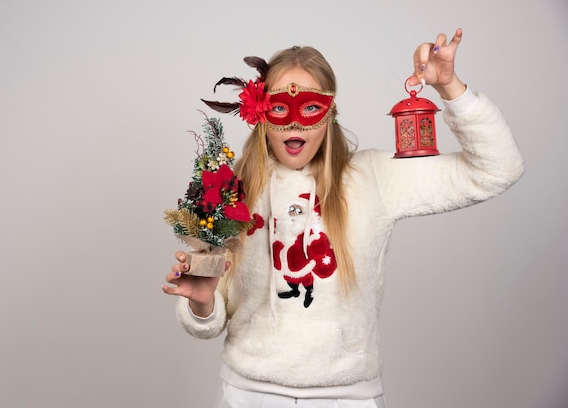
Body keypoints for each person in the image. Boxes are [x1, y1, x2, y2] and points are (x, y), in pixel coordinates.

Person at [161, 28, 524, 408]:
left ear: (329, 113)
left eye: (310, 109)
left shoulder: (373, 178)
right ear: (261, 113)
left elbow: (499, 169)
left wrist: (451, 88)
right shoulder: (233, 190)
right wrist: (202, 303)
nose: (296, 124)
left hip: (348, 398)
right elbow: (209, 318)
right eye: (281, 108)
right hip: (248, 394)